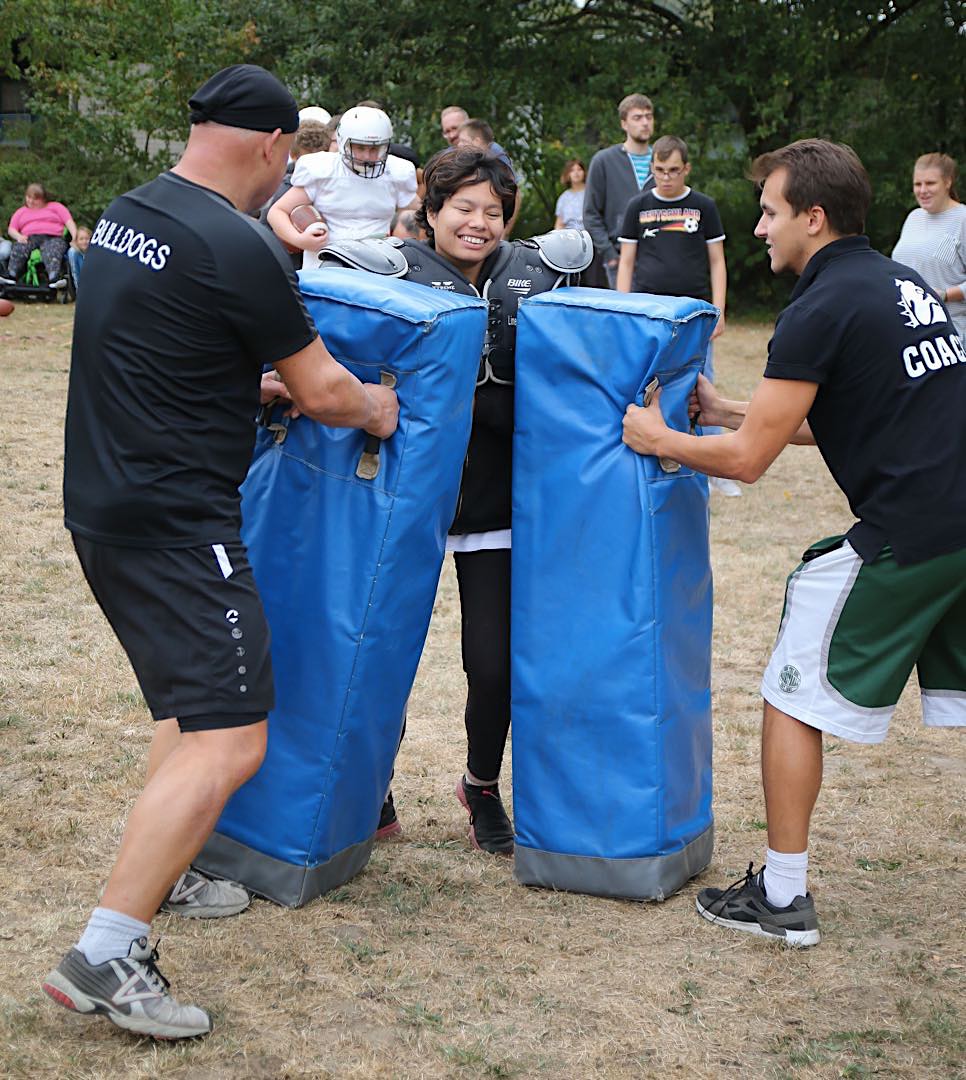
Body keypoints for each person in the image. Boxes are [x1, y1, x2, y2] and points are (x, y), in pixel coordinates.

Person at [41, 63, 398, 1040]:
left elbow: (164, 347)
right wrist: (377, 404)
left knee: (191, 712)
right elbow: (330, 391)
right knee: (235, 733)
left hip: (101, 509)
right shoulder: (234, 245)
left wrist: (251, 386)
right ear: (276, 147)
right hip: (177, 526)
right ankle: (107, 953)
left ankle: (176, 867)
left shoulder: (125, 216)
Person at [621, 138, 966, 948]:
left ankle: (781, 898)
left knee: (787, 694)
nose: (758, 230)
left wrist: (656, 435)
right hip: (956, 523)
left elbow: (747, 464)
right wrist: (736, 406)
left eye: (771, 213)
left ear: (813, 218)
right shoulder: (897, 282)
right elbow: (844, 414)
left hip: (911, 532)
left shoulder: (818, 306)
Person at [321, 148, 592, 853]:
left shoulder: (539, 276)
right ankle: (369, 783)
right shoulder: (385, 273)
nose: (478, 224)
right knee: (378, 652)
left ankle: (479, 784)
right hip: (402, 501)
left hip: (496, 503)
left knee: (496, 663)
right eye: (463, 208)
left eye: (493, 212)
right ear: (431, 211)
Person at [616, 134, 741, 496]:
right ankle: (655, 453)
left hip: (696, 312)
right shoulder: (637, 206)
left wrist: (720, 308)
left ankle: (715, 470)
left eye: (673, 170)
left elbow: (717, 262)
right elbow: (627, 263)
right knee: (648, 383)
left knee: (702, 384)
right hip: (649, 312)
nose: (665, 177)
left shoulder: (704, 206)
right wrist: (623, 310)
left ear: (686, 168)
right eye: (659, 170)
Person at [267, 105, 418, 269]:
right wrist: (300, 240)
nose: (367, 156)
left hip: (380, 265)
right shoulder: (322, 170)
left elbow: (419, 216)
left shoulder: (396, 172)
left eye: (374, 148)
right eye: (360, 147)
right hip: (327, 264)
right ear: (342, 142)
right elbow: (277, 212)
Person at [583, 93, 656, 288]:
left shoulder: (664, 162)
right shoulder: (604, 161)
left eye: (649, 116)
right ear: (624, 124)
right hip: (619, 257)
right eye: (637, 117)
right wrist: (609, 254)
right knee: (624, 316)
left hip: (659, 260)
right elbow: (591, 214)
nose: (645, 123)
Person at [892, 152, 966, 336]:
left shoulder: (962, 219)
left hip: (950, 332)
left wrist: (946, 294)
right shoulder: (913, 217)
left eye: (930, 183)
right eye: (918, 184)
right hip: (908, 328)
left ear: (947, 182)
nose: (922, 190)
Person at [1, 182, 77, 288]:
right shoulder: (21, 212)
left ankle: (54, 277)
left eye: (35, 199)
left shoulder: (56, 207)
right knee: (19, 248)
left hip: (52, 237)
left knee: (52, 250)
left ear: (43, 198)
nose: (31, 201)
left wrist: (74, 238)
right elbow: (11, 229)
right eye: (28, 197)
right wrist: (18, 236)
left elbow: (69, 222)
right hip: (29, 238)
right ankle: (12, 275)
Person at [456, 118, 520, 237]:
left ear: (477, 141)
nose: (459, 145)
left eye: (463, 141)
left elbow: (513, 193)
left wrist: (503, 232)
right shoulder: (462, 161)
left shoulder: (496, 161)